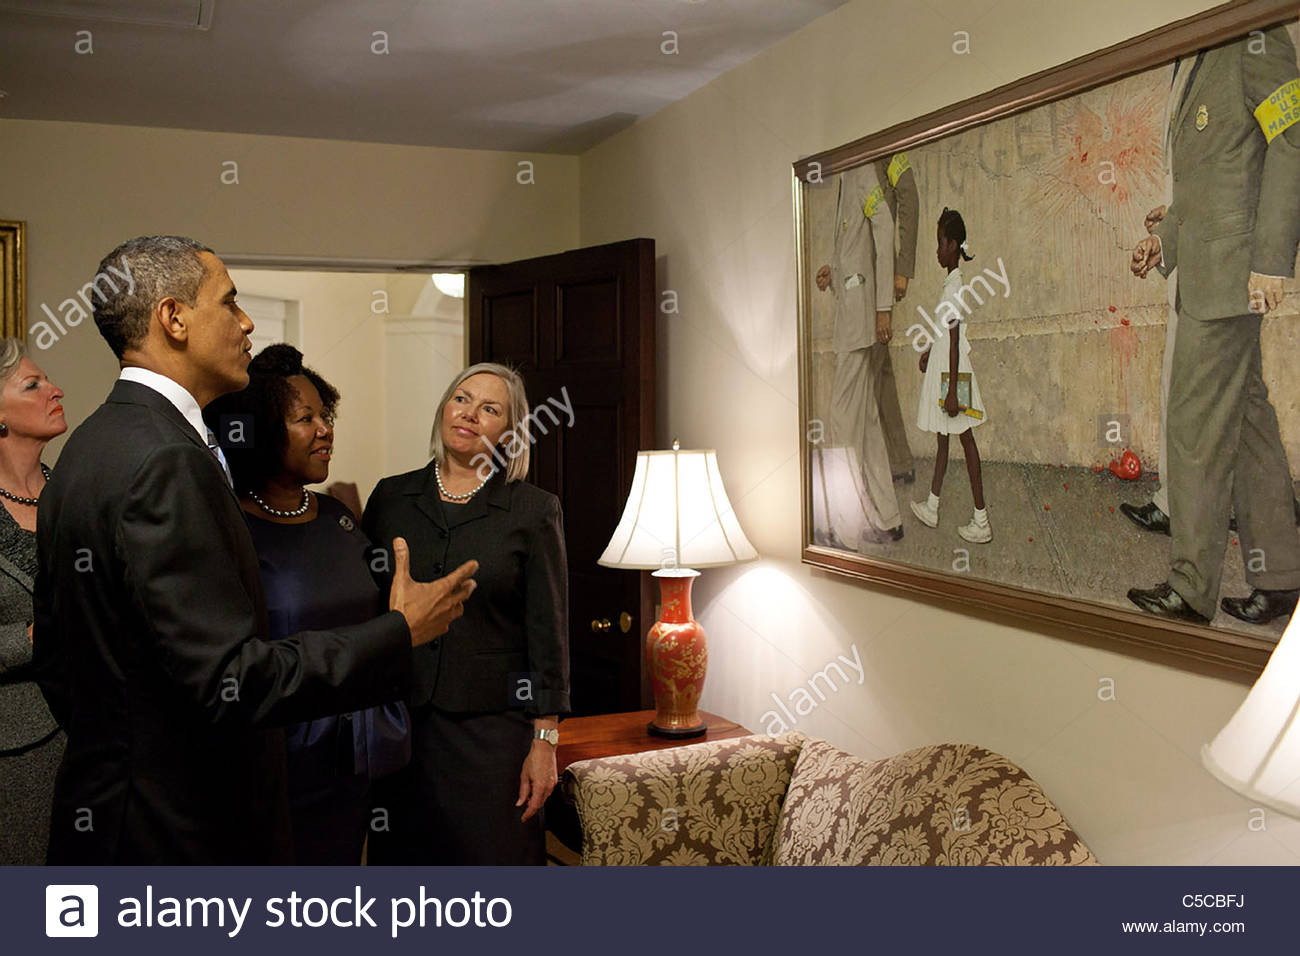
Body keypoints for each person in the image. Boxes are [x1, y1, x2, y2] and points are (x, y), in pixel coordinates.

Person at [33, 235, 478, 864]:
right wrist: (398, 631)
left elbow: (57, 659)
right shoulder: (167, 459)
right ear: (173, 318)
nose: (246, 323)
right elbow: (230, 681)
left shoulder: (88, 443)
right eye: (229, 302)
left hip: (110, 816)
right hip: (177, 834)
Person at [204, 344, 412, 864]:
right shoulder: (232, 528)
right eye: (305, 419)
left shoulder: (338, 517)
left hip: (353, 760)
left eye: (326, 416)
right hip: (273, 763)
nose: (325, 430)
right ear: (259, 431)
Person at [364, 362, 569, 866]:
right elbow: (366, 606)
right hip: (401, 727)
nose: (470, 413)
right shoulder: (391, 497)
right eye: (461, 399)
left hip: (492, 735)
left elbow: (548, 631)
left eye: (490, 408)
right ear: (444, 409)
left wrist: (544, 741)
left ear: (510, 432)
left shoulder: (533, 511)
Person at [1128, 27, 1300, 625]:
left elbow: (1292, 141)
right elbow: (1214, 176)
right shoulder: (1201, 50)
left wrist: (1271, 261)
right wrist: (1164, 241)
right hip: (1211, 269)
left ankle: (1191, 589)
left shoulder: (1255, 38)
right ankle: (1282, 574)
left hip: (1233, 275)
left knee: (1193, 425)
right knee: (1248, 423)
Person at [814, 163, 904, 545]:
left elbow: (884, 228)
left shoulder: (861, 171)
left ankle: (842, 527)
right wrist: (833, 272)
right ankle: (889, 518)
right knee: (866, 422)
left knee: (840, 420)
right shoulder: (847, 176)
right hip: (854, 315)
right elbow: (856, 247)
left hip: (859, 321)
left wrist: (883, 307)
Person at [0, 340, 65, 864]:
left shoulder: (75, 491)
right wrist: (30, 638)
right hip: (15, 756)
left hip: (99, 737)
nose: (55, 390)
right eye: (33, 385)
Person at [909, 208, 990, 543]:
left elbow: (955, 341)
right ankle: (932, 506)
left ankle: (981, 520)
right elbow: (945, 333)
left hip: (952, 376)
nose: (937, 250)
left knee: (966, 441)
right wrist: (930, 351)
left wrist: (953, 390)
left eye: (941, 243)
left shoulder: (955, 286)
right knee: (944, 439)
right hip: (946, 370)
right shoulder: (950, 284)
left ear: (953, 245)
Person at [872, 151, 920, 484]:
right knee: (878, 369)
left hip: (879, 275)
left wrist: (902, 268)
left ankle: (893, 462)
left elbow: (910, 199)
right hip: (858, 280)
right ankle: (898, 460)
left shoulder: (886, 151)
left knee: (873, 368)